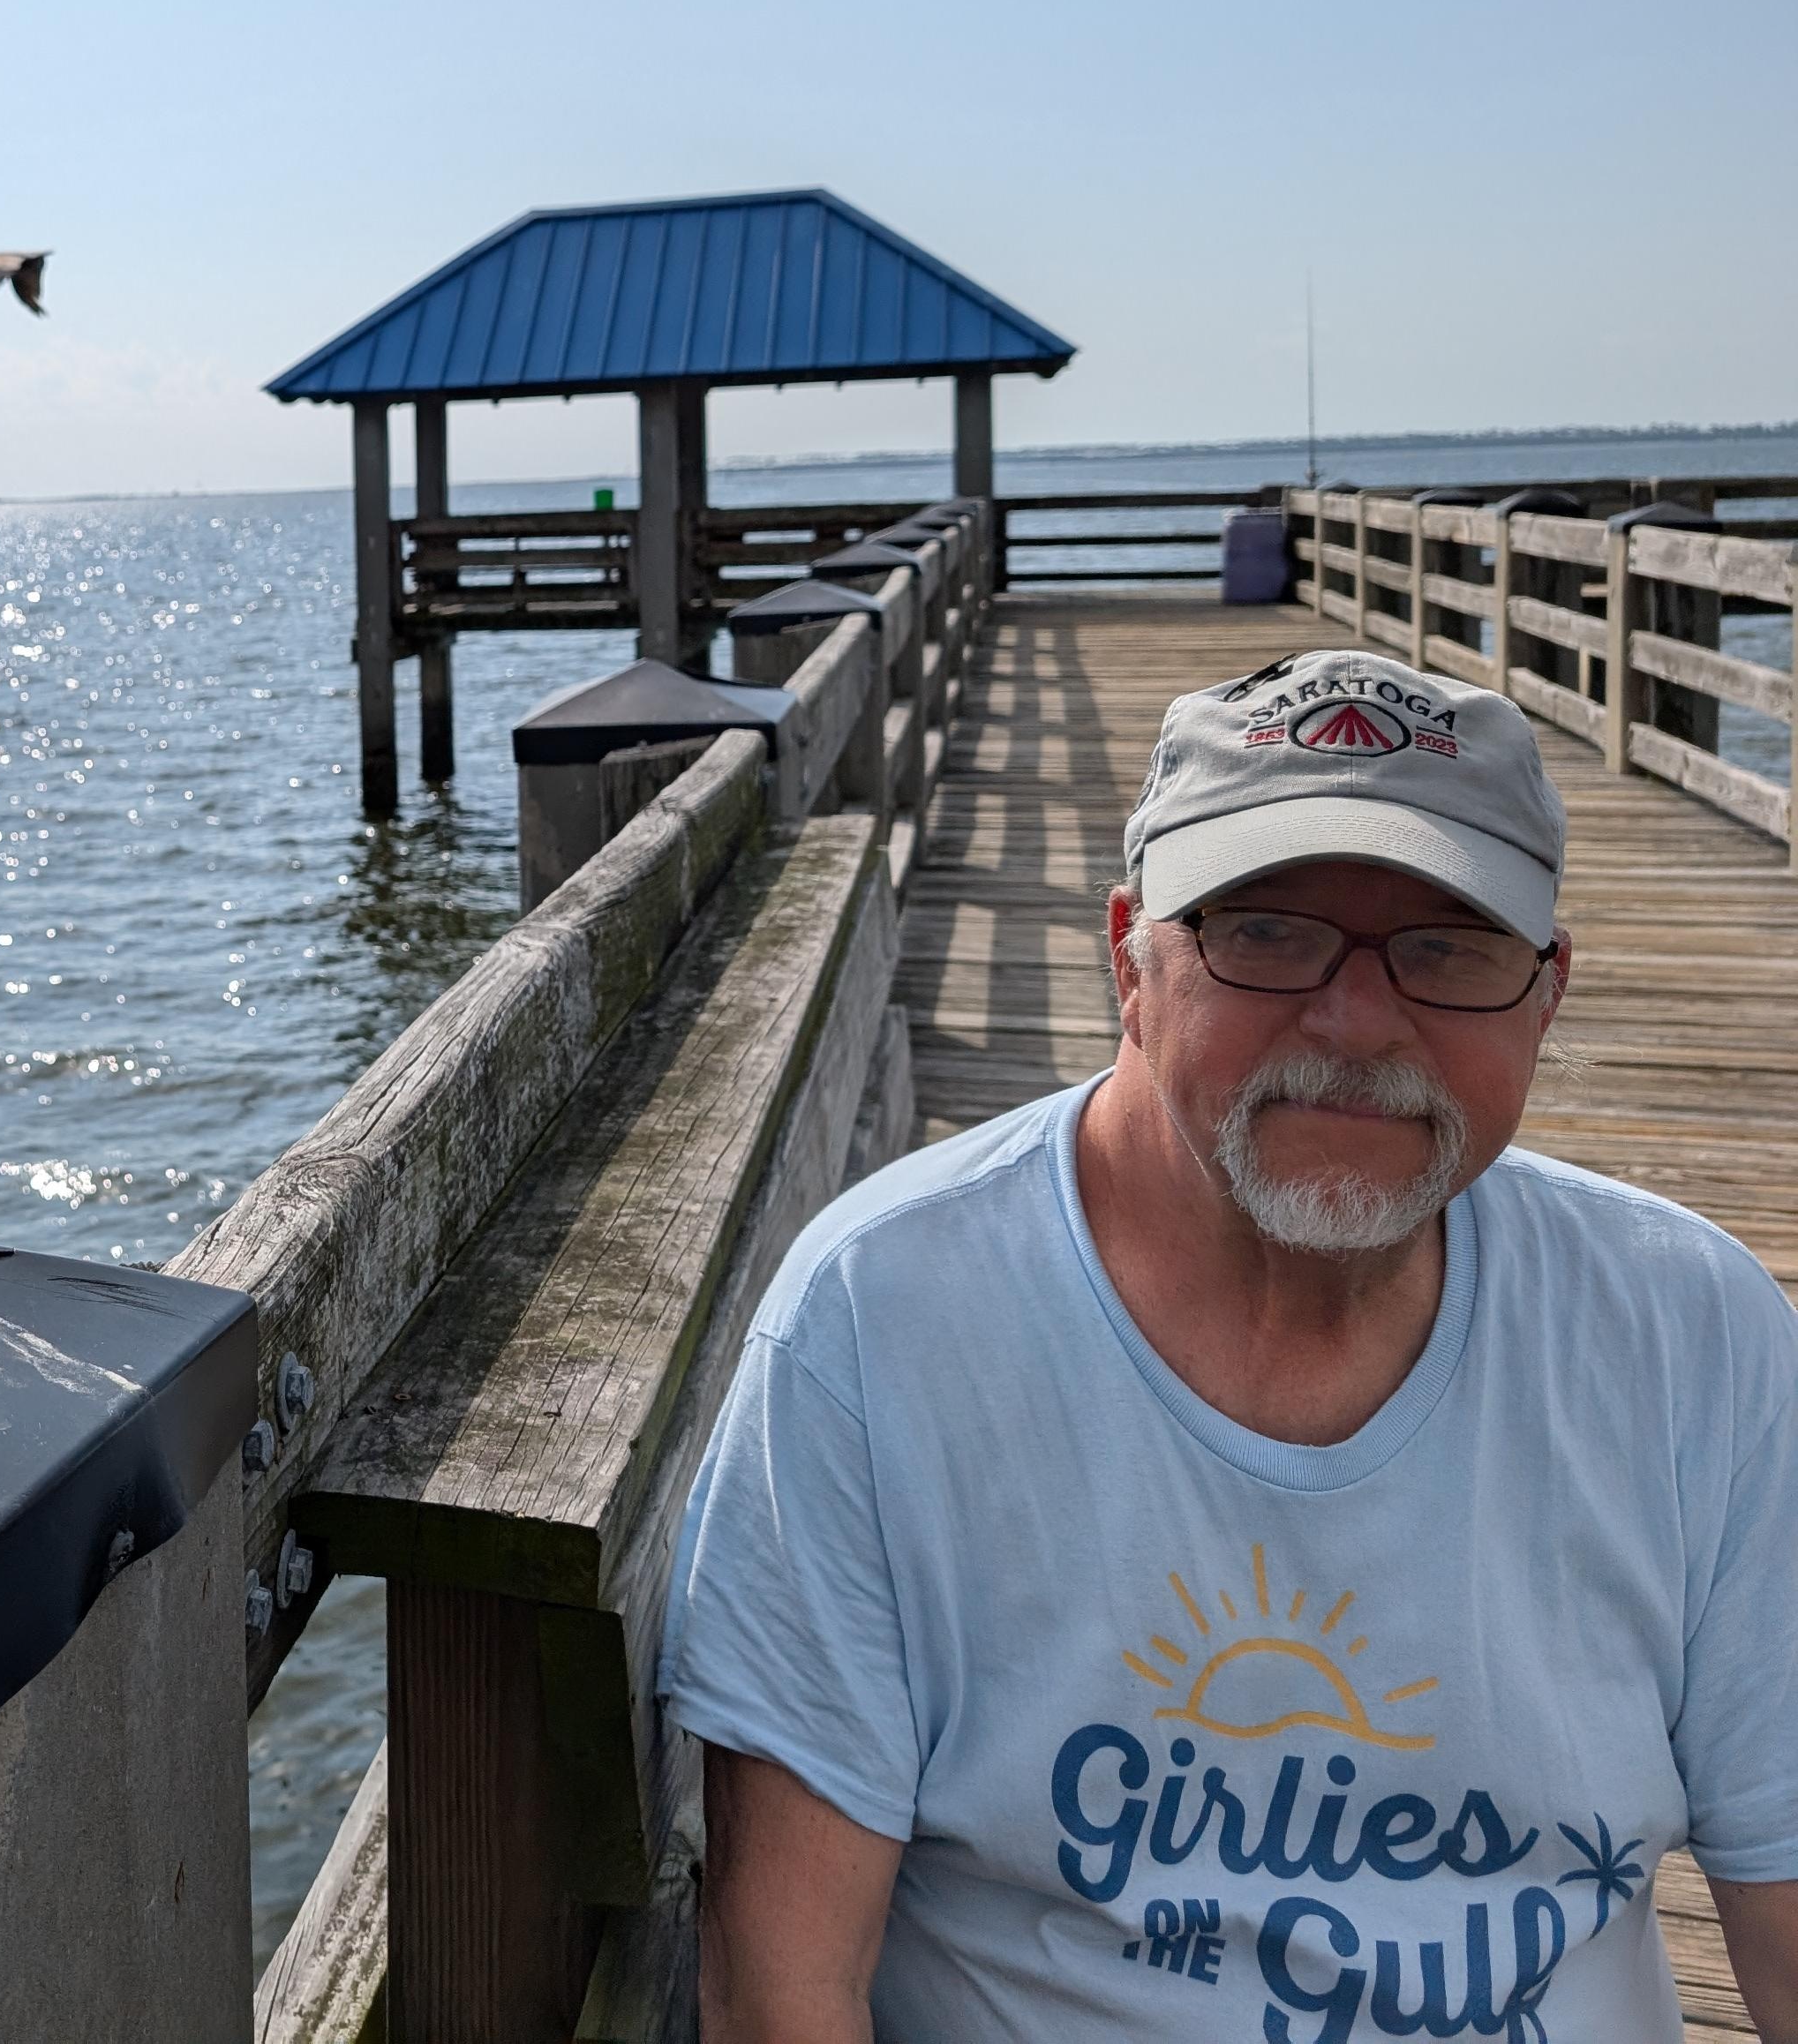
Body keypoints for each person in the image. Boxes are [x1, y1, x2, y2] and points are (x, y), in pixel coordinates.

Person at [661, 646, 1798, 2040]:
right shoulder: (880, 1329)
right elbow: (781, 1991)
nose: (1357, 1020)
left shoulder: (1699, 1339)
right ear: (1130, 959)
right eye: (1264, 931)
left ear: (1547, 992)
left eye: (1448, 947)